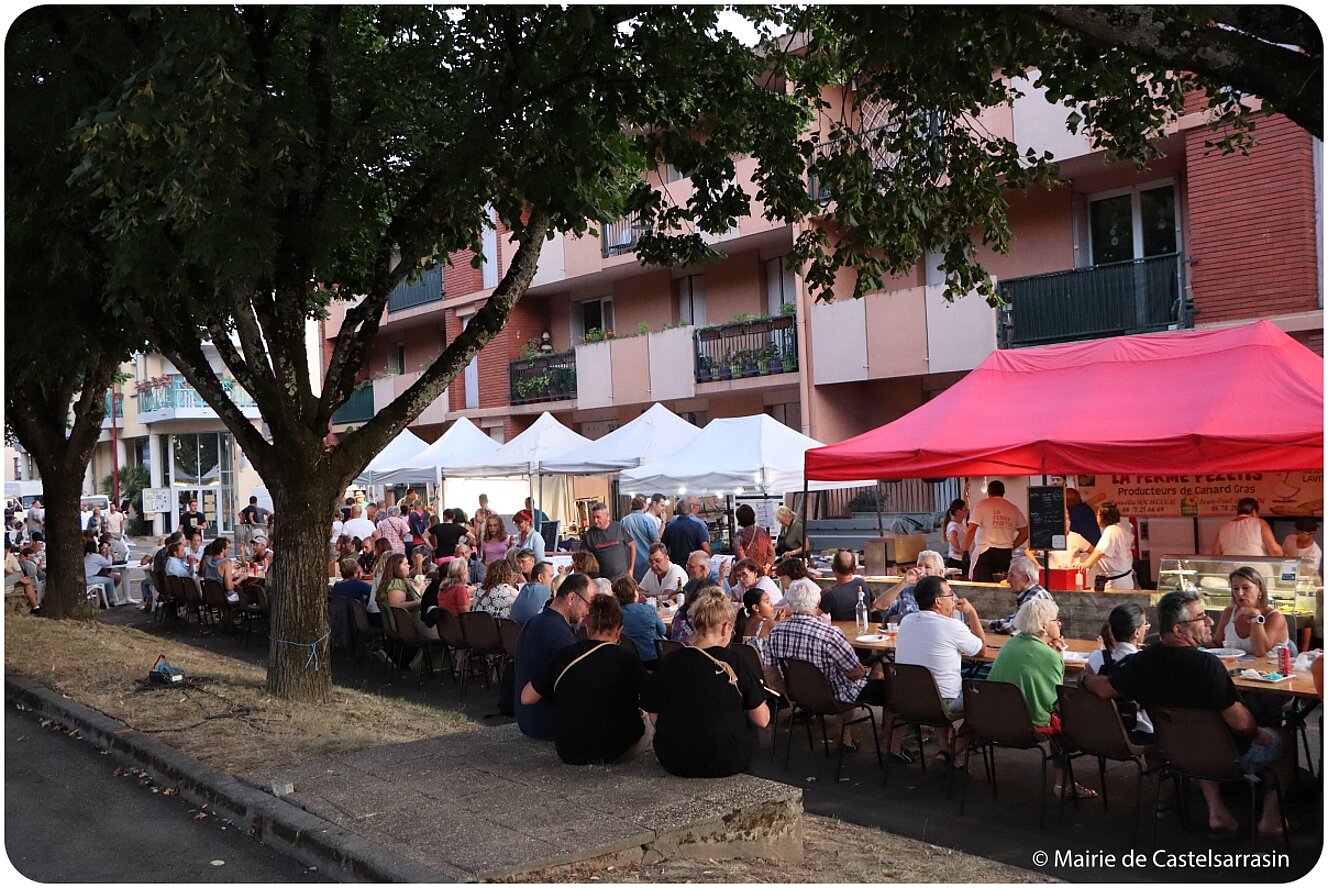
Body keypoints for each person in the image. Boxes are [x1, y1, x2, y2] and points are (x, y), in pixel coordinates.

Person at [1083, 590, 1292, 838]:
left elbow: (1104, 688)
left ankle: (1217, 811)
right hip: (1226, 754)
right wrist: (1256, 732)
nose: (1210, 622)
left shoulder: (1144, 659)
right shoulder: (1207, 666)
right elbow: (1240, 723)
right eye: (1202, 618)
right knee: (1286, 740)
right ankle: (1272, 818)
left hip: (1178, 753)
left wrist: (1086, 678)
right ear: (1179, 630)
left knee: (1198, 737)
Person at [643, 588, 770, 777]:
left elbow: (653, 714)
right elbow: (762, 719)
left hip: (674, 757)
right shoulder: (732, 662)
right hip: (726, 757)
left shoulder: (669, 661)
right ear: (726, 628)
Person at [522, 594, 651, 765]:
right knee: (649, 719)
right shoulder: (626, 658)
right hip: (616, 749)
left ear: (587, 627)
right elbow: (652, 698)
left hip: (570, 750)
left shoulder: (564, 655)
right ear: (618, 630)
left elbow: (526, 697)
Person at [987, 597, 1094, 797]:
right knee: (1064, 722)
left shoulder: (1009, 644)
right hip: (1027, 726)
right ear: (1043, 626)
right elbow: (1057, 696)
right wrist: (1058, 657)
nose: (1059, 623)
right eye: (1055, 620)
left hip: (994, 720)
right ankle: (1062, 785)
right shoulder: (1051, 656)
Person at [764, 577, 886, 749]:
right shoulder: (830, 634)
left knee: (840, 679)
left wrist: (787, 693)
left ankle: (847, 738)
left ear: (790, 601)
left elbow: (769, 670)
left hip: (800, 695)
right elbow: (855, 672)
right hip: (835, 696)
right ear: (817, 601)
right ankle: (889, 744)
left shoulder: (776, 631)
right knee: (886, 686)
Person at [514, 572, 593, 739]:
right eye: (588, 605)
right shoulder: (560, 635)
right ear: (572, 598)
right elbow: (573, 687)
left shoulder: (534, 622)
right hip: (547, 721)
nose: (588, 612)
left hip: (528, 717)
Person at [894, 576, 985, 717]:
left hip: (907, 698)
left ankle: (940, 738)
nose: (953, 599)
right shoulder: (952, 626)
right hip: (944, 701)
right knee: (984, 701)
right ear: (938, 601)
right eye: (950, 595)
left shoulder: (906, 621)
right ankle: (963, 738)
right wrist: (972, 613)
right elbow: (981, 650)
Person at [1084, 602, 1154, 744]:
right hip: (1135, 731)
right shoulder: (1143, 662)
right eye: (1145, 624)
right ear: (1137, 632)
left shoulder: (1096, 657)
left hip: (1098, 729)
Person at [1211, 566, 1290, 658]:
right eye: (1235, 588)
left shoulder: (1275, 617)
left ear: (1260, 590)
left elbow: (1260, 651)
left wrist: (1256, 617)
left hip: (1268, 670)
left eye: (1246, 588)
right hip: (1234, 668)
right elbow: (1217, 643)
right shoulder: (1229, 612)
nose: (1240, 593)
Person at [964, 480, 1028, 582]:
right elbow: (1025, 532)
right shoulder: (1012, 508)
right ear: (1003, 492)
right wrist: (1012, 545)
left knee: (982, 587)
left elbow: (971, 529)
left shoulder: (983, 505)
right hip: (1005, 553)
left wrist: (965, 549)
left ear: (989, 492)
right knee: (1002, 585)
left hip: (985, 552)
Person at [1074, 500, 1136, 590]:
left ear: (1104, 517)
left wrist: (1085, 565)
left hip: (1116, 581)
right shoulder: (1120, 529)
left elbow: (1100, 552)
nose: (1096, 517)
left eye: (1098, 514)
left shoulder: (1111, 530)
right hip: (1122, 578)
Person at [872, 550, 946, 622]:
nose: (922, 570)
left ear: (940, 572)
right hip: (907, 633)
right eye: (919, 566)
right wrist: (904, 583)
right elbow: (879, 606)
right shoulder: (907, 591)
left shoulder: (946, 595)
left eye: (927, 567)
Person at [986, 556, 1054, 633]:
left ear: (1027, 579)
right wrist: (986, 623)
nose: (1007, 580)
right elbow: (1014, 619)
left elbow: (1015, 628)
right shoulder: (1031, 593)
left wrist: (979, 621)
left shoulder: (1033, 599)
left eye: (1012, 575)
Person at [613, 576, 668, 667]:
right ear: (635, 592)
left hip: (629, 659)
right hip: (653, 657)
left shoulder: (615, 614)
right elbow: (663, 630)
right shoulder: (649, 610)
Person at [580, 502, 635, 581]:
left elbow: (632, 545)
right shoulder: (589, 535)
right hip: (602, 581)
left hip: (622, 578)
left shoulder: (618, 527)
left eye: (598, 517)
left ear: (607, 516)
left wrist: (631, 569)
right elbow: (581, 556)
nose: (595, 520)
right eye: (593, 517)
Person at [1213, 496, 1282, 557]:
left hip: (1228, 569)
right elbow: (1275, 550)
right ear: (1254, 512)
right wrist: (1282, 554)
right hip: (1256, 569)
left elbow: (1215, 554)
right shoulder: (1260, 523)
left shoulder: (1224, 527)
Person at [819, 549, 872, 621]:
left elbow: (813, 614)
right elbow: (875, 605)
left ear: (833, 568)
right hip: (865, 629)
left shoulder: (830, 595)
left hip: (841, 631)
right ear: (855, 569)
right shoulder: (862, 583)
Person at [620, 495, 661, 581]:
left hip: (630, 561)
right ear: (644, 505)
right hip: (646, 560)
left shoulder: (624, 520)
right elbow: (657, 541)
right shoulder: (647, 520)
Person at [661, 498, 710, 566]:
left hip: (676, 565)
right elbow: (706, 548)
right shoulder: (698, 526)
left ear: (677, 510)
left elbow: (663, 548)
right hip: (694, 565)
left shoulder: (669, 527)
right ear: (690, 509)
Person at [733, 504, 774, 571]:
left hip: (747, 575)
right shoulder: (763, 532)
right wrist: (765, 568)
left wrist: (752, 571)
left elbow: (742, 558)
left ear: (739, 519)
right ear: (753, 516)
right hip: (763, 573)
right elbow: (771, 553)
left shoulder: (739, 536)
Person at [201, 536, 240, 603]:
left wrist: (232, 576)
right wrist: (242, 578)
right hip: (225, 598)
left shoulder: (206, 559)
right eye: (229, 548)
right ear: (222, 549)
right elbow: (229, 587)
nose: (229, 550)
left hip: (209, 596)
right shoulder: (226, 563)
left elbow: (205, 575)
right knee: (245, 595)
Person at [5, 543, 41, 613]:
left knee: (28, 581)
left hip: (11, 579)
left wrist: (20, 578)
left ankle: (35, 607)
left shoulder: (11, 557)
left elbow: (19, 572)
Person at [942, 499, 969, 573]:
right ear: (958, 511)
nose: (967, 511)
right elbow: (954, 542)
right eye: (965, 509)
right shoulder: (953, 526)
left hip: (961, 560)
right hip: (956, 561)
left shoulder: (961, 524)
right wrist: (964, 553)